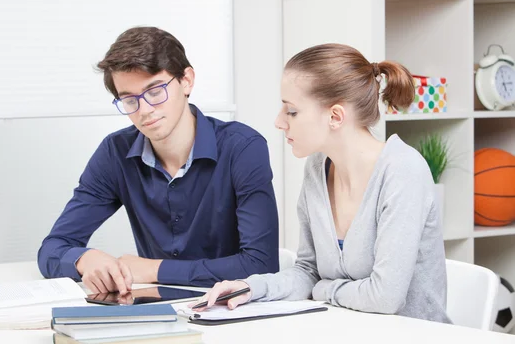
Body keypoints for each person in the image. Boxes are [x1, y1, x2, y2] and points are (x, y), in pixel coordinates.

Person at [193, 43, 451, 323]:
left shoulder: (403, 171)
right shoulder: (317, 168)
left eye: (291, 111)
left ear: (335, 116)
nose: (279, 122)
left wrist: (325, 289)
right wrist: (252, 287)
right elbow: (308, 272)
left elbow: (385, 297)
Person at [37, 26, 279, 293]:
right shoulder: (115, 153)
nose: (145, 110)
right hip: (156, 309)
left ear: (186, 80)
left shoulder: (242, 148)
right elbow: (52, 249)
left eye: (155, 91)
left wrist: (153, 269)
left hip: (233, 312)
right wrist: (85, 258)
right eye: (129, 100)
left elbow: (262, 264)